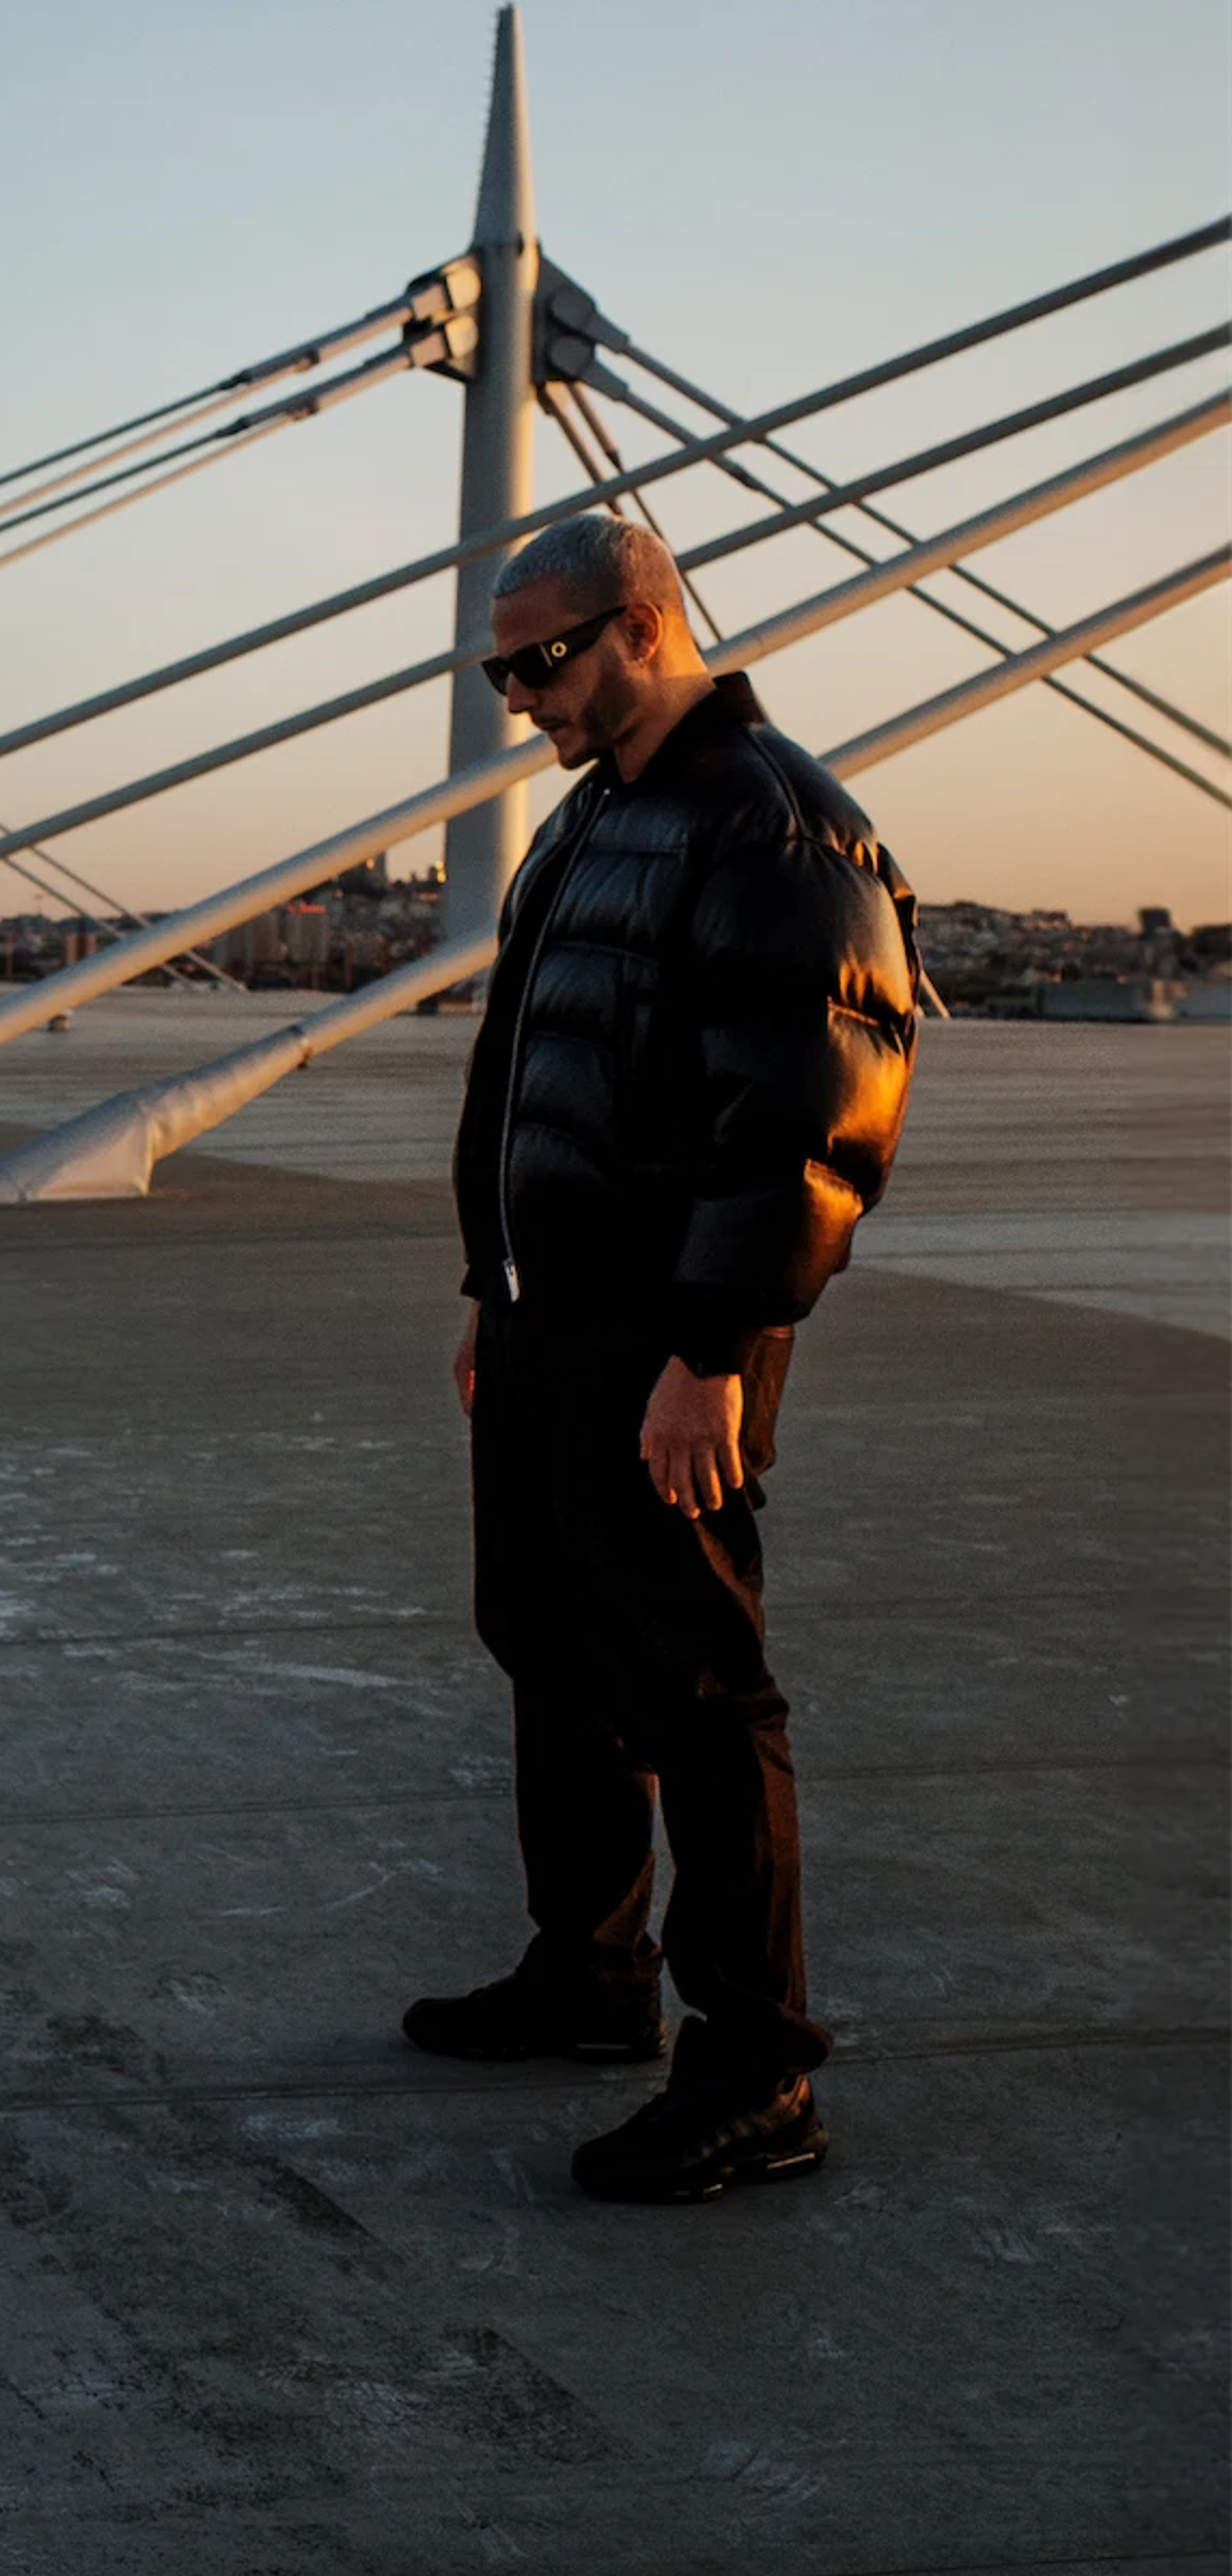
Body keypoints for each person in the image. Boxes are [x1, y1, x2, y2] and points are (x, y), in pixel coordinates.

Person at [404, 513, 919, 2200]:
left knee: (697, 1683)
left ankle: (760, 2070)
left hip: (671, 1334)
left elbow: (813, 1124)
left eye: (540, 662)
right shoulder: (592, 818)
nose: (518, 698)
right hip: (548, 1315)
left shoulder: (774, 824)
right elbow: (524, 1075)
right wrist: (491, 1286)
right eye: (499, 672)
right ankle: (592, 1971)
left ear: (644, 626)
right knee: (550, 1643)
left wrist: (714, 1348)